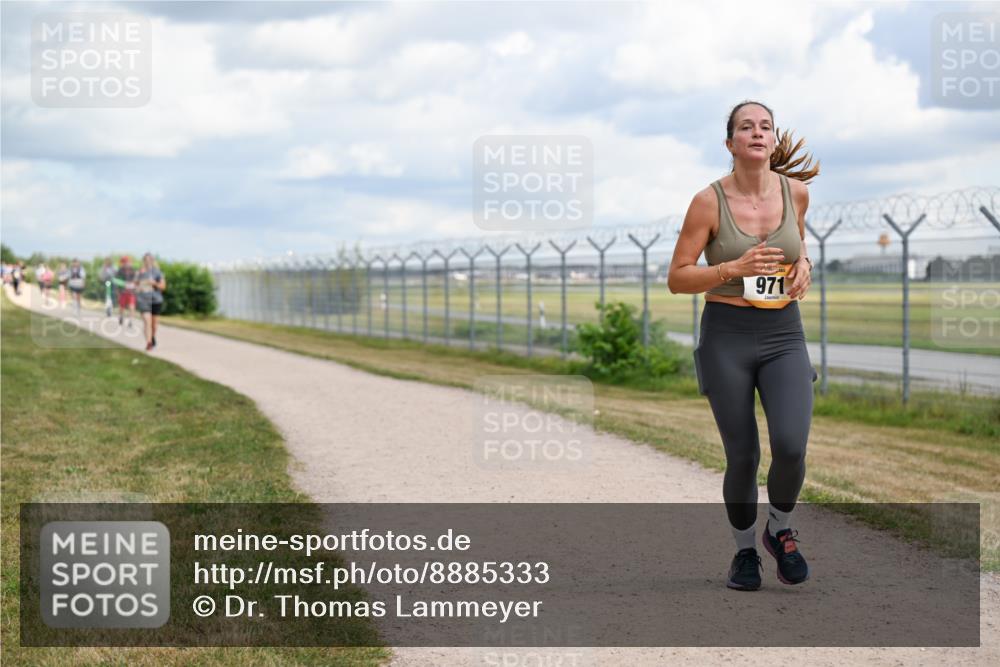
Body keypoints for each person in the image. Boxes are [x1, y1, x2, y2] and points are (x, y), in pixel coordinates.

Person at [667, 100, 819, 591]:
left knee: (792, 447)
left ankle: (779, 528)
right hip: (727, 336)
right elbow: (678, 277)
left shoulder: (795, 194)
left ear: (773, 140)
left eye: (765, 126)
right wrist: (733, 269)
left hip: (783, 334)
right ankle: (745, 553)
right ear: (730, 142)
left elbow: (798, 249)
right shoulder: (708, 202)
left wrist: (804, 268)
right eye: (745, 127)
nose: (757, 132)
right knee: (744, 457)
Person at [136, 252, 166, 351]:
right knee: (147, 322)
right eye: (146, 260)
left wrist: (154, 283)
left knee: (153, 325)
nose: (147, 262)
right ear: (143, 261)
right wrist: (138, 288)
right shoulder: (139, 273)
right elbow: (135, 285)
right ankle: (148, 343)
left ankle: (152, 338)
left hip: (156, 300)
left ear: (152, 261)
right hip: (143, 300)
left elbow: (163, 287)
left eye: (150, 260)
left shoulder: (157, 272)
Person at [116, 255, 137, 327]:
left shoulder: (133, 270)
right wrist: (118, 292)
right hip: (123, 292)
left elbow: (136, 280)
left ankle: (131, 320)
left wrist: (133, 284)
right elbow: (117, 281)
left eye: (127, 262)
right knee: (122, 307)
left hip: (131, 292)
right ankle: (121, 316)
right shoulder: (120, 271)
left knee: (132, 306)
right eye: (124, 262)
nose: (126, 264)